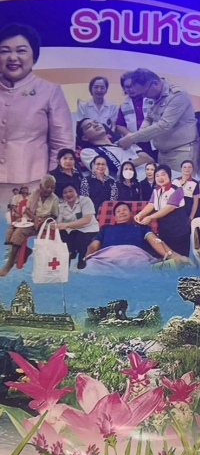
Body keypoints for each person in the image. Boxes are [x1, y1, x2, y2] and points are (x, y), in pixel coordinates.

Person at [0, 24, 73, 202]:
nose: (13, 57)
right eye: (5, 51)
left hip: (33, 186)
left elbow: (62, 145)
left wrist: (51, 185)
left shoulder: (49, 91)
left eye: (21, 50)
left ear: (34, 55)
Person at [117, 68, 200, 171]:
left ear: (155, 83)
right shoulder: (155, 94)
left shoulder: (177, 95)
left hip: (181, 152)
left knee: (181, 181)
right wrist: (139, 134)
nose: (143, 96)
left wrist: (132, 138)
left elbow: (164, 125)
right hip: (162, 153)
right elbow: (149, 118)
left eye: (144, 93)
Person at [85, 201, 191, 267]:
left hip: (134, 257)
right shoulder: (105, 229)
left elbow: (155, 241)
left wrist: (175, 256)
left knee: (142, 268)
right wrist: (85, 258)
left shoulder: (141, 228)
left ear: (131, 214)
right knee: (90, 266)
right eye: (118, 211)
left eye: (125, 210)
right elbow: (93, 246)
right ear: (115, 217)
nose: (122, 212)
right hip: (106, 257)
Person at [0, 174, 58, 277]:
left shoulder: (55, 199)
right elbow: (27, 210)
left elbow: (54, 215)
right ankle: (18, 256)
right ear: (41, 186)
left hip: (44, 225)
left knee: (20, 232)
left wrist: (43, 220)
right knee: (11, 230)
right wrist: (34, 218)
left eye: (52, 187)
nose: (49, 190)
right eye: (47, 186)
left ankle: (10, 264)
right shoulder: (34, 193)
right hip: (30, 221)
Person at [135, 164, 191, 257]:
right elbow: (151, 204)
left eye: (163, 175)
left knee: (181, 257)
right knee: (167, 255)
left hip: (178, 228)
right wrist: (140, 214)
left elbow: (169, 207)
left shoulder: (177, 189)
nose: (160, 178)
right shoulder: (156, 190)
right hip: (164, 227)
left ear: (169, 176)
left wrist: (150, 217)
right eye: (157, 175)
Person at [77, 117, 154, 178]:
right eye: (89, 126)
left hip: (154, 172)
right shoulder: (88, 152)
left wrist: (127, 164)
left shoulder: (125, 141)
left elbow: (149, 159)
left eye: (96, 122)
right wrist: (136, 162)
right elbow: (104, 174)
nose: (95, 125)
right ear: (84, 137)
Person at [56, 184, 99, 269]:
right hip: (72, 229)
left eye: (71, 191)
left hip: (88, 228)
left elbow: (87, 219)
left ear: (76, 192)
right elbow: (59, 222)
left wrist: (67, 225)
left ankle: (83, 258)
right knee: (61, 235)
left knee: (80, 239)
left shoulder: (85, 200)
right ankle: (69, 255)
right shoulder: (62, 206)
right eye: (65, 192)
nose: (68, 194)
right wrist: (54, 225)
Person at [115, 71, 156, 158]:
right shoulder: (124, 105)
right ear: (124, 88)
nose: (131, 89)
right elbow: (120, 125)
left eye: (133, 86)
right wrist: (132, 136)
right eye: (127, 87)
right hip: (137, 143)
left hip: (154, 139)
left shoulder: (151, 99)